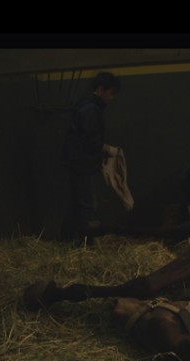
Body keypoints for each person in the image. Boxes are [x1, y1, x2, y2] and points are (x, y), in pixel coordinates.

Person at [60, 71, 121, 242]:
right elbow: (91, 140)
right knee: (88, 205)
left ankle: (64, 241)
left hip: (75, 160)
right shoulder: (91, 110)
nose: (112, 98)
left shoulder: (86, 105)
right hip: (81, 162)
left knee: (76, 205)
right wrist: (108, 149)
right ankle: (87, 244)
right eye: (111, 93)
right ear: (101, 89)